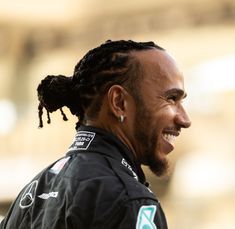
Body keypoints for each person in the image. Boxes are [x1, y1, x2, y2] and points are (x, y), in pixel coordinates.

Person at [0, 39, 191, 229]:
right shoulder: (129, 200)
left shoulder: (32, 193)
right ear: (119, 103)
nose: (185, 119)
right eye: (171, 99)